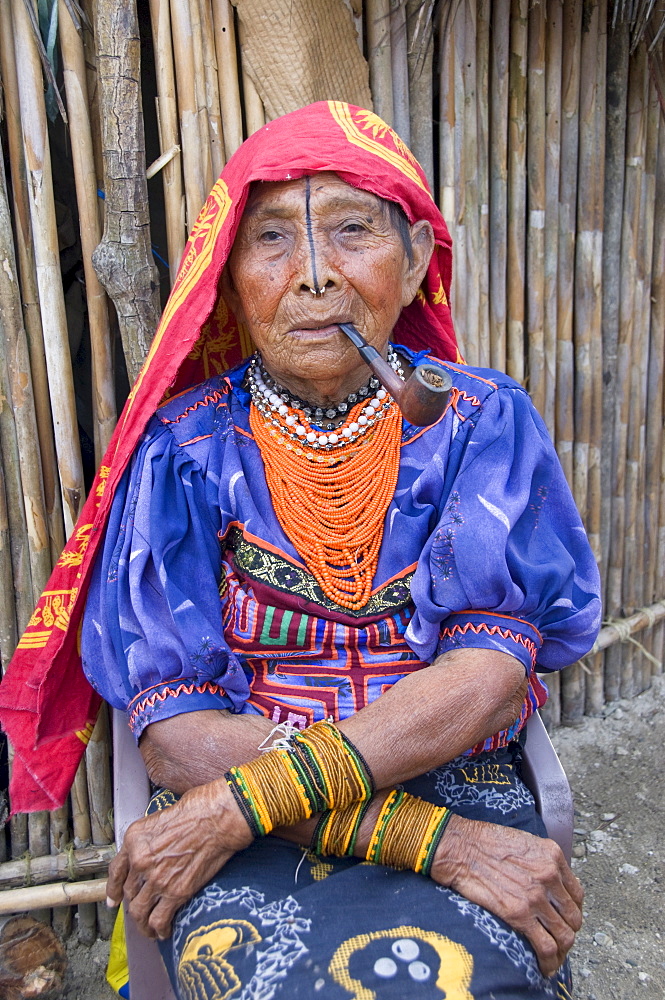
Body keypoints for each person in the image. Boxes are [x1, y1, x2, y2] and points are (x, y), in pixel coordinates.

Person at [5, 103, 601, 1000]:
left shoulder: (481, 422)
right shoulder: (188, 450)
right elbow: (176, 734)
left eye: (352, 231)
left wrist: (247, 803)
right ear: (228, 282)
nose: (315, 276)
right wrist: (428, 842)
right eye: (272, 240)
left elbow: (486, 675)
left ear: (412, 267)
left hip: (448, 774)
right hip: (237, 792)